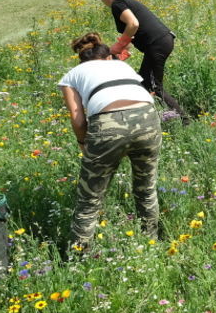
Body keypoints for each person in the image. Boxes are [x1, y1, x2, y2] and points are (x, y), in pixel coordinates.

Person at [58, 32, 162, 254]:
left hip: (107, 124)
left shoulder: (71, 75)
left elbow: (77, 118)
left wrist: (82, 142)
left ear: (82, 59)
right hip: (147, 117)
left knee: (90, 198)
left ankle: (80, 255)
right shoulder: (121, 66)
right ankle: (152, 242)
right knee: (146, 188)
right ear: (107, 57)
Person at [94, 0, 188, 122]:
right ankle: (143, 119)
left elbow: (133, 24)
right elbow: (132, 32)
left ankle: (184, 120)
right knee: (144, 83)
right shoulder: (125, 0)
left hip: (157, 44)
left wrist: (119, 46)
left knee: (154, 86)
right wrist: (120, 52)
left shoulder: (117, 3)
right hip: (162, 41)